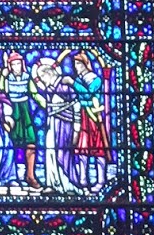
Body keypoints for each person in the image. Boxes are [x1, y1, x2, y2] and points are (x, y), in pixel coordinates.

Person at [33, 57, 78, 193]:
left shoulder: (65, 86)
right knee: (50, 152)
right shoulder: (50, 89)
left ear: (49, 73)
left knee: (63, 153)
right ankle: (53, 184)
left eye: (42, 76)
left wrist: (76, 127)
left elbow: (76, 104)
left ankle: (69, 185)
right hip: (52, 124)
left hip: (65, 124)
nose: (41, 80)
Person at [70, 52, 111, 190]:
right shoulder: (80, 79)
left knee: (98, 149)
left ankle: (100, 181)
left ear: (86, 64)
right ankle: (82, 180)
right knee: (82, 148)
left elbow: (89, 93)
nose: (76, 67)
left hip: (94, 117)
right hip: (82, 116)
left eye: (78, 63)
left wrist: (73, 83)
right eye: (75, 64)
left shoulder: (96, 80)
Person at [2, 52, 41, 189]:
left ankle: (30, 176)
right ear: (10, 66)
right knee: (10, 143)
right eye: (13, 64)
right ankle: (8, 176)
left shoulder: (27, 77)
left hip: (25, 112)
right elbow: (1, 94)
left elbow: (35, 93)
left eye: (18, 63)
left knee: (31, 143)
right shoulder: (6, 79)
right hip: (11, 112)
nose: (16, 67)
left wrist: (46, 104)